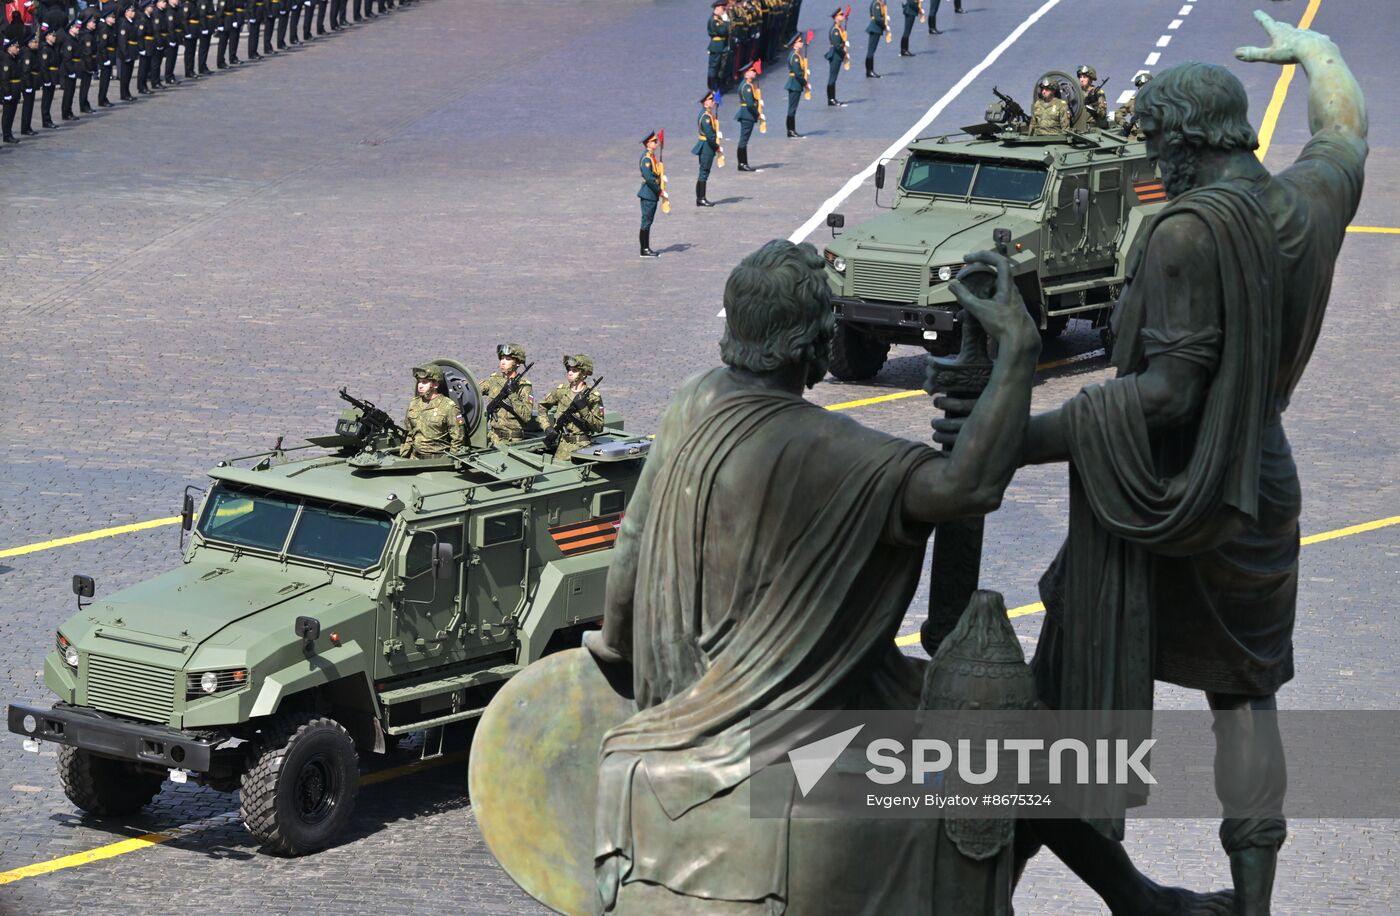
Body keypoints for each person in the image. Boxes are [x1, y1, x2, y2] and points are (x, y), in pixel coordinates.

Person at [1001, 15, 1367, 914]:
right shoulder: (1308, 203)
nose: (1153, 157)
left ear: (1182, 140)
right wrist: (1313, 51)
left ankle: (995, 887)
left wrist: (1019, 437)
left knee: (1055, 702)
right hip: (1258, 490)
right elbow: (1344, 126)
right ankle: (1252, 901)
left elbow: (1165, 394)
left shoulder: (1183, 235)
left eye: (1158, 141)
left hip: (1161, 500)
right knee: (1245, 700)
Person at [583, 238, 1041, 912]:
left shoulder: (693, 401)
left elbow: (632, 547)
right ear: (815, 343)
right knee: (1030, 753)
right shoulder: (828, 449)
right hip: (772, 729)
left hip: (675, 701)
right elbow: (965, 487)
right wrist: (1019, 353)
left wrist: (619, 651)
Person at [539, 354, 605, 461]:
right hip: (562, 447)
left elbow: (599, 427)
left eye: (574, 370)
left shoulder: (593, 396)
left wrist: (584, 409)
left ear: (583, 374)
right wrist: (547, 427)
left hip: (582, 447)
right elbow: (542, 406)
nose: (569, 373)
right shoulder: (561, 390)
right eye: (569, 370)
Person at [399, 365, 465, 458]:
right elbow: (408, 433)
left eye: (424, 382)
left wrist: (450, 461)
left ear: (435, 384)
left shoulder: (449, 407)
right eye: (419, 382)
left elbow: (458, 438)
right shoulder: (413, 404)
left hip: (437, 462)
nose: (420, 386)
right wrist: (403, 456)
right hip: (415, 459)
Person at [479, 344, 535, 445]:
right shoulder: (493, 380)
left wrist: (512, 395)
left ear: (517, 363)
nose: (503, 362)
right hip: (493, 438)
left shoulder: (524, 386)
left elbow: (526, 416)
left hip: (513, 441)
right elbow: (475, 390)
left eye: (508, 359)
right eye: (502, 358)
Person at [637, 130, 664, 257]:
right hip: (649, 193)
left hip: (651, 193)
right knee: (646, 221)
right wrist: (659, 191)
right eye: (654, 141)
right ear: (648, 144)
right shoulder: (647, 159)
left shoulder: (651, 156)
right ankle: (644, 249)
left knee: (648, 220)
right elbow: (649, 178)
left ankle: (645, 248)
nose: (656, 143)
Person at [692, 91, 721, 207]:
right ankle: (701, 198)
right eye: (710, 100)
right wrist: (717, 146)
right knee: (704, 173)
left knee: (704, 172)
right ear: (705, 103)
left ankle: (700, 198)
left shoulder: (707, 114)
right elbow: (709, 135)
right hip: (707, 147)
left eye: (713, 100)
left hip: (706, 145)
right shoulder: (706, 117)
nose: (713, 102)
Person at [734, 60, 761, 170]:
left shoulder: (746, 85)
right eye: (752, 71)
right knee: (744, 139)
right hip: (748, 114)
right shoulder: (747, 87)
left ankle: (742, 163)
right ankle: (742, 164)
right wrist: (757, 113)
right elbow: (750, 104)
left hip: (745, 113)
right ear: (746, 74)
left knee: (743, 139)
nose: (754, 73)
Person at [1114, 71, 1151, 139]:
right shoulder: (1134, 101)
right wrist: (1124, 124)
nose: (1141, 88)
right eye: (1139, 87)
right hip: (1135, 137)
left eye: (1144, 86)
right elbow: (1118, 112)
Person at [824, 6, 847, 107]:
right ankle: (831, 99)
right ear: (836, 17)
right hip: (835, 54)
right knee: (832, 77)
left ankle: (832, 98)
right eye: (841, 14)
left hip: (837, 54)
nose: (843, 16)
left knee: (834, 77)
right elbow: (837, 46)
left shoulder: (839, 28)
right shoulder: (835, 30)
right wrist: (844, 53)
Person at [1, 33, 21, 143]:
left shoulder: (14, 59)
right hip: (10, 89)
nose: (18, 49)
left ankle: (9, 133)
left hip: (15, 88)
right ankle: (6, 135)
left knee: (12, 112)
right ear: (9, 47)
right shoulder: (6, 61)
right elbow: (5, 79)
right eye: (16, 47)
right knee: (7, 113)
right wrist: (7, 93)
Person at [58, 16, 80, 117]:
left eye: (78, 27)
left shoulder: (74, 39)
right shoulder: (68, 41)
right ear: (71, 28)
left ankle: (68, 111)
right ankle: (66, 112)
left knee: (71, 92)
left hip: (73, 68)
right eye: (76, 27)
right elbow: (67, 58)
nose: (78, 29)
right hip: (68, 70)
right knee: (68, 92)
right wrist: (71, 72)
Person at [705, 1, 728, 91]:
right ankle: (711, 86)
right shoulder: (714, 20)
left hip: (721, 45)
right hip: (716, 45)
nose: (724, 11)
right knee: (714, 67)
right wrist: (726, 21)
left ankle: (717, 85)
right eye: (723, 9)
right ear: (717, 8)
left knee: (720, 66)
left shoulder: (719, 18)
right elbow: (722, 31)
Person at [95, 6, 116, 105]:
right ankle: (102, 99)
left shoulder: (110, 27)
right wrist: (105, 59)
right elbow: (102, 46)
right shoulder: (104, 28)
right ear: (107, 17)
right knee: (104, 79)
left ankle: (103, 98)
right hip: (105, 56)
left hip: (109, 55)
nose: (114, 19)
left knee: (107, 79)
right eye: (112, 17)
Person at [864, 0, 885, 78]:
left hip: (875, 28)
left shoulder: (875, 2)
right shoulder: (877, 4)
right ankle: (870, 71)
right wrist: (884, 25)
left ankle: (869, 71)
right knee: (871, 51)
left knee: (871, 50)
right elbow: (878, 19)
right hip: (875, 28)